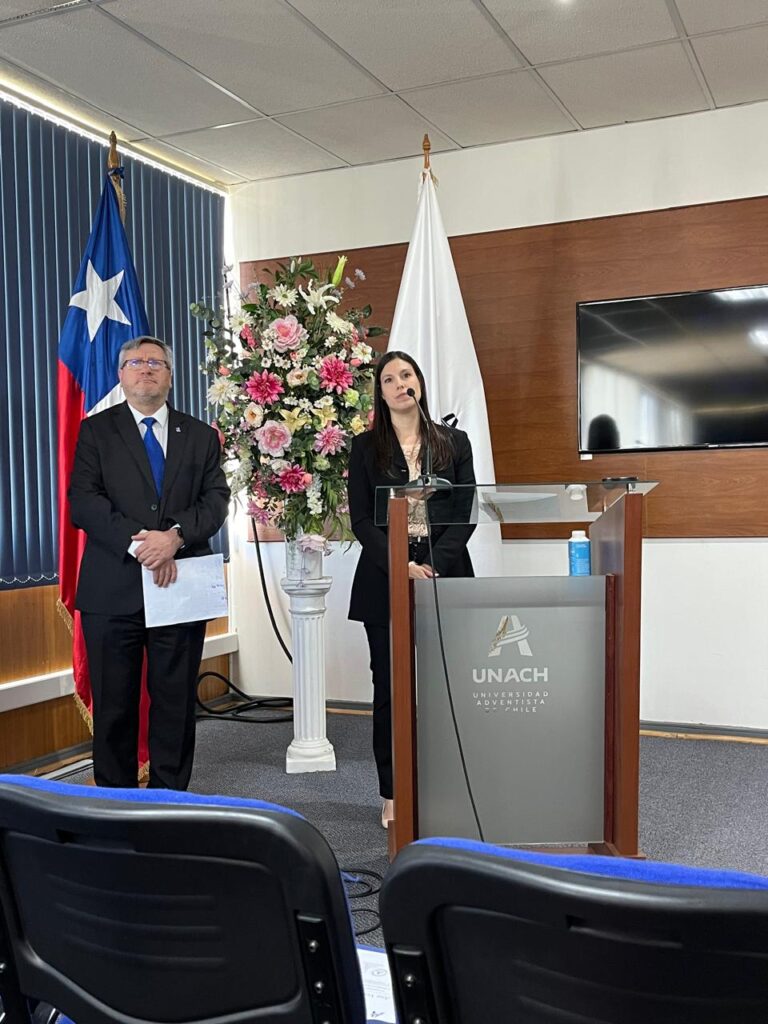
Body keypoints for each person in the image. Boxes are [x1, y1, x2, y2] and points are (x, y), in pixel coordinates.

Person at [69, 336, 230, 790]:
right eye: (135, 362)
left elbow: (217, 500)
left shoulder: (200, 435)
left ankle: (170, 803)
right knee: (115, 706)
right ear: (121, 375)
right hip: (112, 590)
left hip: (179, 587)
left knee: (175, 703)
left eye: (156, 362)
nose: (146, 369)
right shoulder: (95, 431)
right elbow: (83, 502)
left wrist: (175, 536)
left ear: (171, 376)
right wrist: (140, 544)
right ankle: (116, 806)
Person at [347, 350, 476, 827]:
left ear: (419, 383)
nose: (400, 383)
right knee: (391, 688)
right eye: (389, 379)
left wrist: (431, 564)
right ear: (380, 394)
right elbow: (362, 519)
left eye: (407, 375)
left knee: (446, 688)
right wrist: (400, 564)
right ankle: (394, 790)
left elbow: (465, 512)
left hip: (444, 575)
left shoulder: (454, 442)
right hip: (385, 579)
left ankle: (449, 786)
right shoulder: (365, 448)